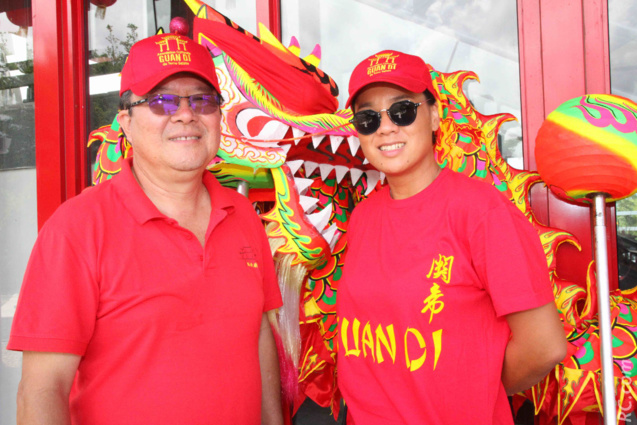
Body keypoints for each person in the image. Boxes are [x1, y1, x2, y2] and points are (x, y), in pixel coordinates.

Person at [8, 32, 283, 425]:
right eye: (161, 101)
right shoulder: (77, 229)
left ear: (219, 116)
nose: (186, 114)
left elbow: (257, 336)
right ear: (126, 123)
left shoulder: (242, 215)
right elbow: (41, 390)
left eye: (202, 100)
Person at [337, 50, 567, 424]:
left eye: (402, 111)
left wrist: (474, 390)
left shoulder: (480, 210)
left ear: (434, 115)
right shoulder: (363, 217)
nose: (385, 128)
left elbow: (545, 347)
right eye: (367, 118)